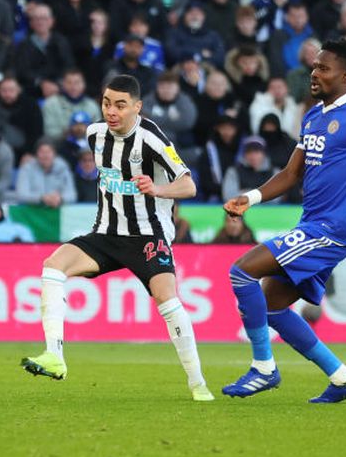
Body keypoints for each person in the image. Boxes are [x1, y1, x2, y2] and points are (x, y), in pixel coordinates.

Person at [221, 39, 346, 402]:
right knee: (269, 305)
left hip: (335, 227)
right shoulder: (314, 116)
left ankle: (263, 369)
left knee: (242, 272)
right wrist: (250, 198)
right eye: (314, 67)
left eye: (324, 68)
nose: (314, 74)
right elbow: (290, 174)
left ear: (345, 75)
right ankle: (342, 377)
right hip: (314, 224)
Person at [21, 74, 213, 402]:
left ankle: (198, 383)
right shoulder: (95, 134)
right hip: (108, 233)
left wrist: (159, 189)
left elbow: (189, 185)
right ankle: (55, 356)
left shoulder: (152, 139)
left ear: (137, 108)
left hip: (148, 235)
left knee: (167, 299)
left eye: (120, 105)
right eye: (107, 103)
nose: (112, 111)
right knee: (53, 266)